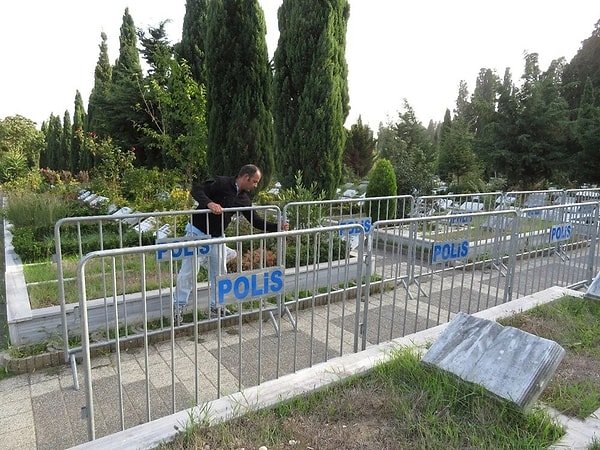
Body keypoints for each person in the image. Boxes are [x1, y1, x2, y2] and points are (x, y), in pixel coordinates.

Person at [173, 164, 288, 324]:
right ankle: (177, 308)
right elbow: (197, 190)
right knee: (189, 271)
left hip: (218, 237)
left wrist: (278, 227)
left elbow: (256, 221)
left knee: (220, 273)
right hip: (196, 232)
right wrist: (209, 204)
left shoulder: (244, 199)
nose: (255, 186)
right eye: (254, 182)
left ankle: (216, 307)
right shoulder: (221, 183)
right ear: (246, 177)